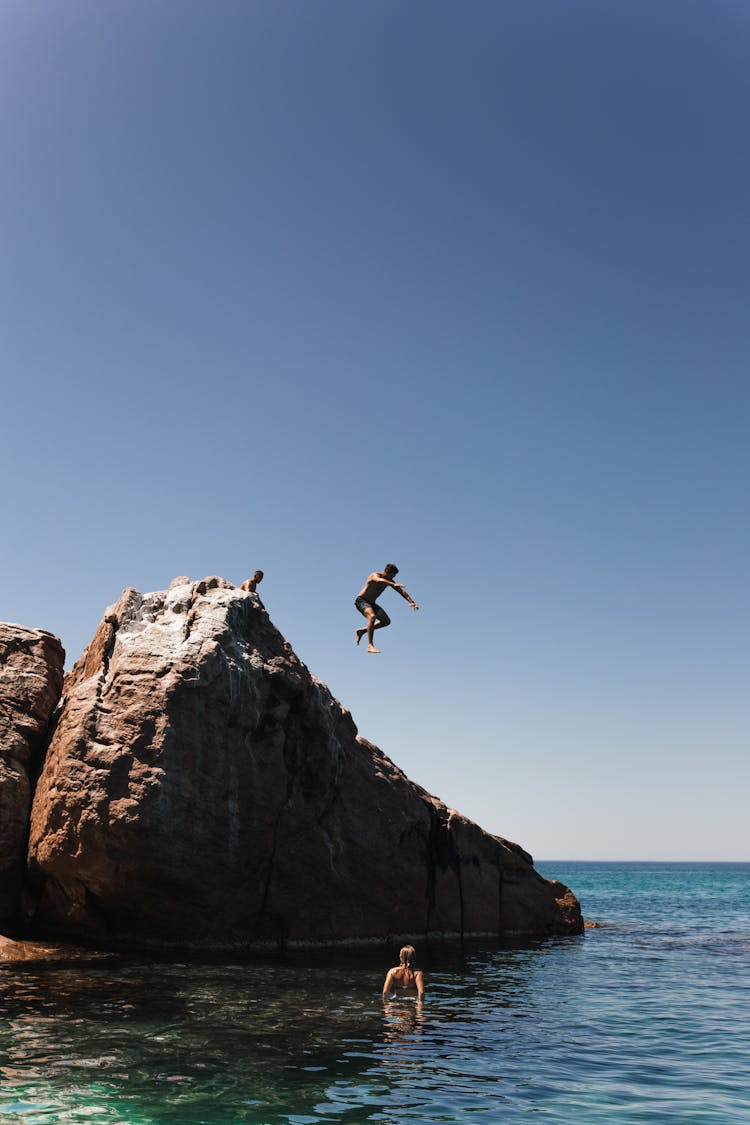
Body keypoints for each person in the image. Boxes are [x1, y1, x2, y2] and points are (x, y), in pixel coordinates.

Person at [355, 563, 418, 653]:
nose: (393, 578)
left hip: (372, 603)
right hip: (361, 601)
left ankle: (362, 631)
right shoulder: (375, 575)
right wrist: (391, 583)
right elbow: (378, 580)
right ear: (386, 572)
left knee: (386, 621)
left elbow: (401, 591)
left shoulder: (390, 580)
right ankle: (370, 645)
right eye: (392, 575)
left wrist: (411, 602)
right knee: (372, 617)